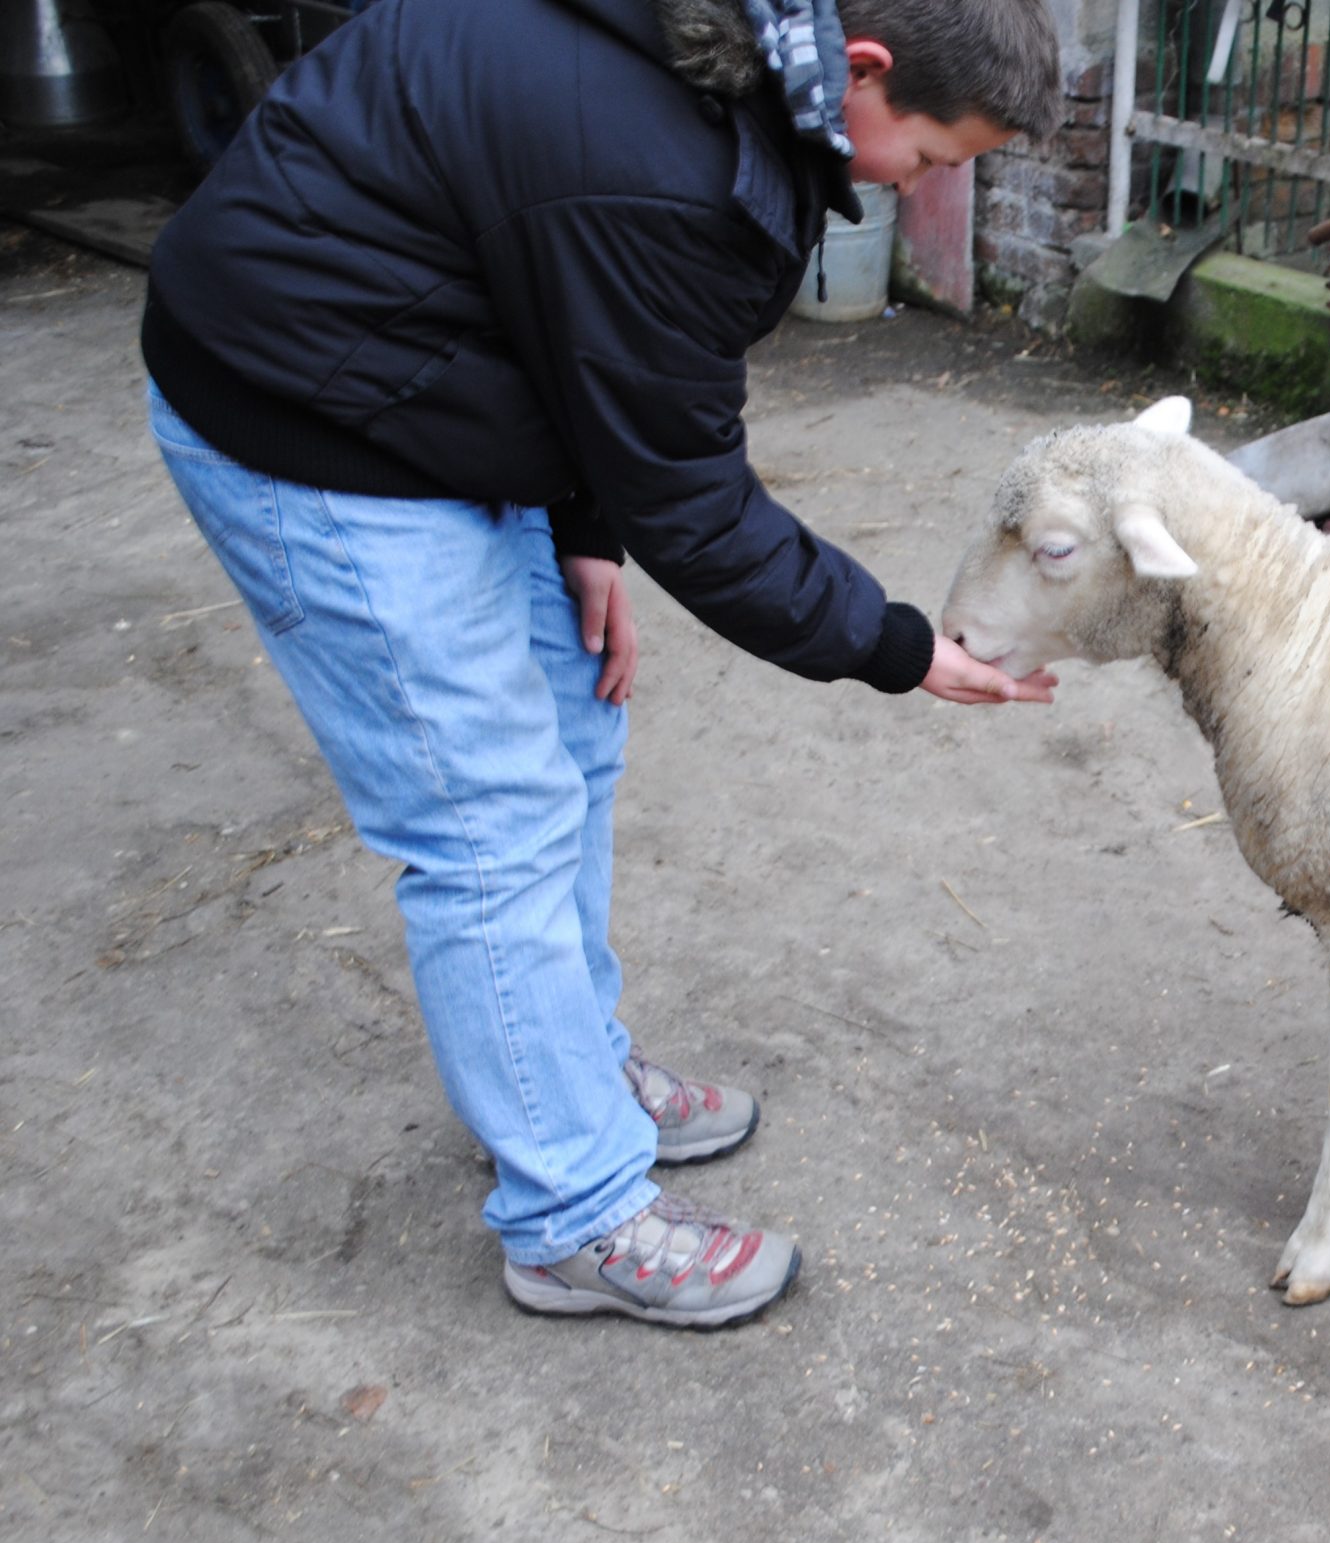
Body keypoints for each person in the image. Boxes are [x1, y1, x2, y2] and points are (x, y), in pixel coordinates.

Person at [141, 0, 1064, 1328]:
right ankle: (572, 1215)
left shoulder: (730, 66)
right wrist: (898, 647)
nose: (928, 184)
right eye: (929, 154)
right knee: (486, 820)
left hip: (427, 361)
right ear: (859, 68)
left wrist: (581, 528)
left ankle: (565, 1068)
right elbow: (700, 505)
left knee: (579, 714)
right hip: (303, 406)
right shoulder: (659, 164)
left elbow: (557, 295)